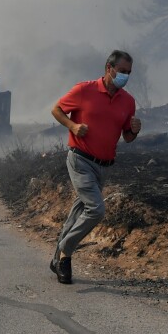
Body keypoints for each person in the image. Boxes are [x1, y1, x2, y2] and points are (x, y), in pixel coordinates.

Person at [48, 50, 142, 284]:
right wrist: (73, 125)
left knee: (80, 210)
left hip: (104, 166)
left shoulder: (128, 101)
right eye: (122, 71)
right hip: (80, 159)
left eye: (129, 73)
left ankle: (56, 259)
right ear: (108, 68)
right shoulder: (84, 90)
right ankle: (65, 252)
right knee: (96, 210)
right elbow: (56, 109)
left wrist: (135, 131)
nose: (126, 76)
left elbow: (127, 137)